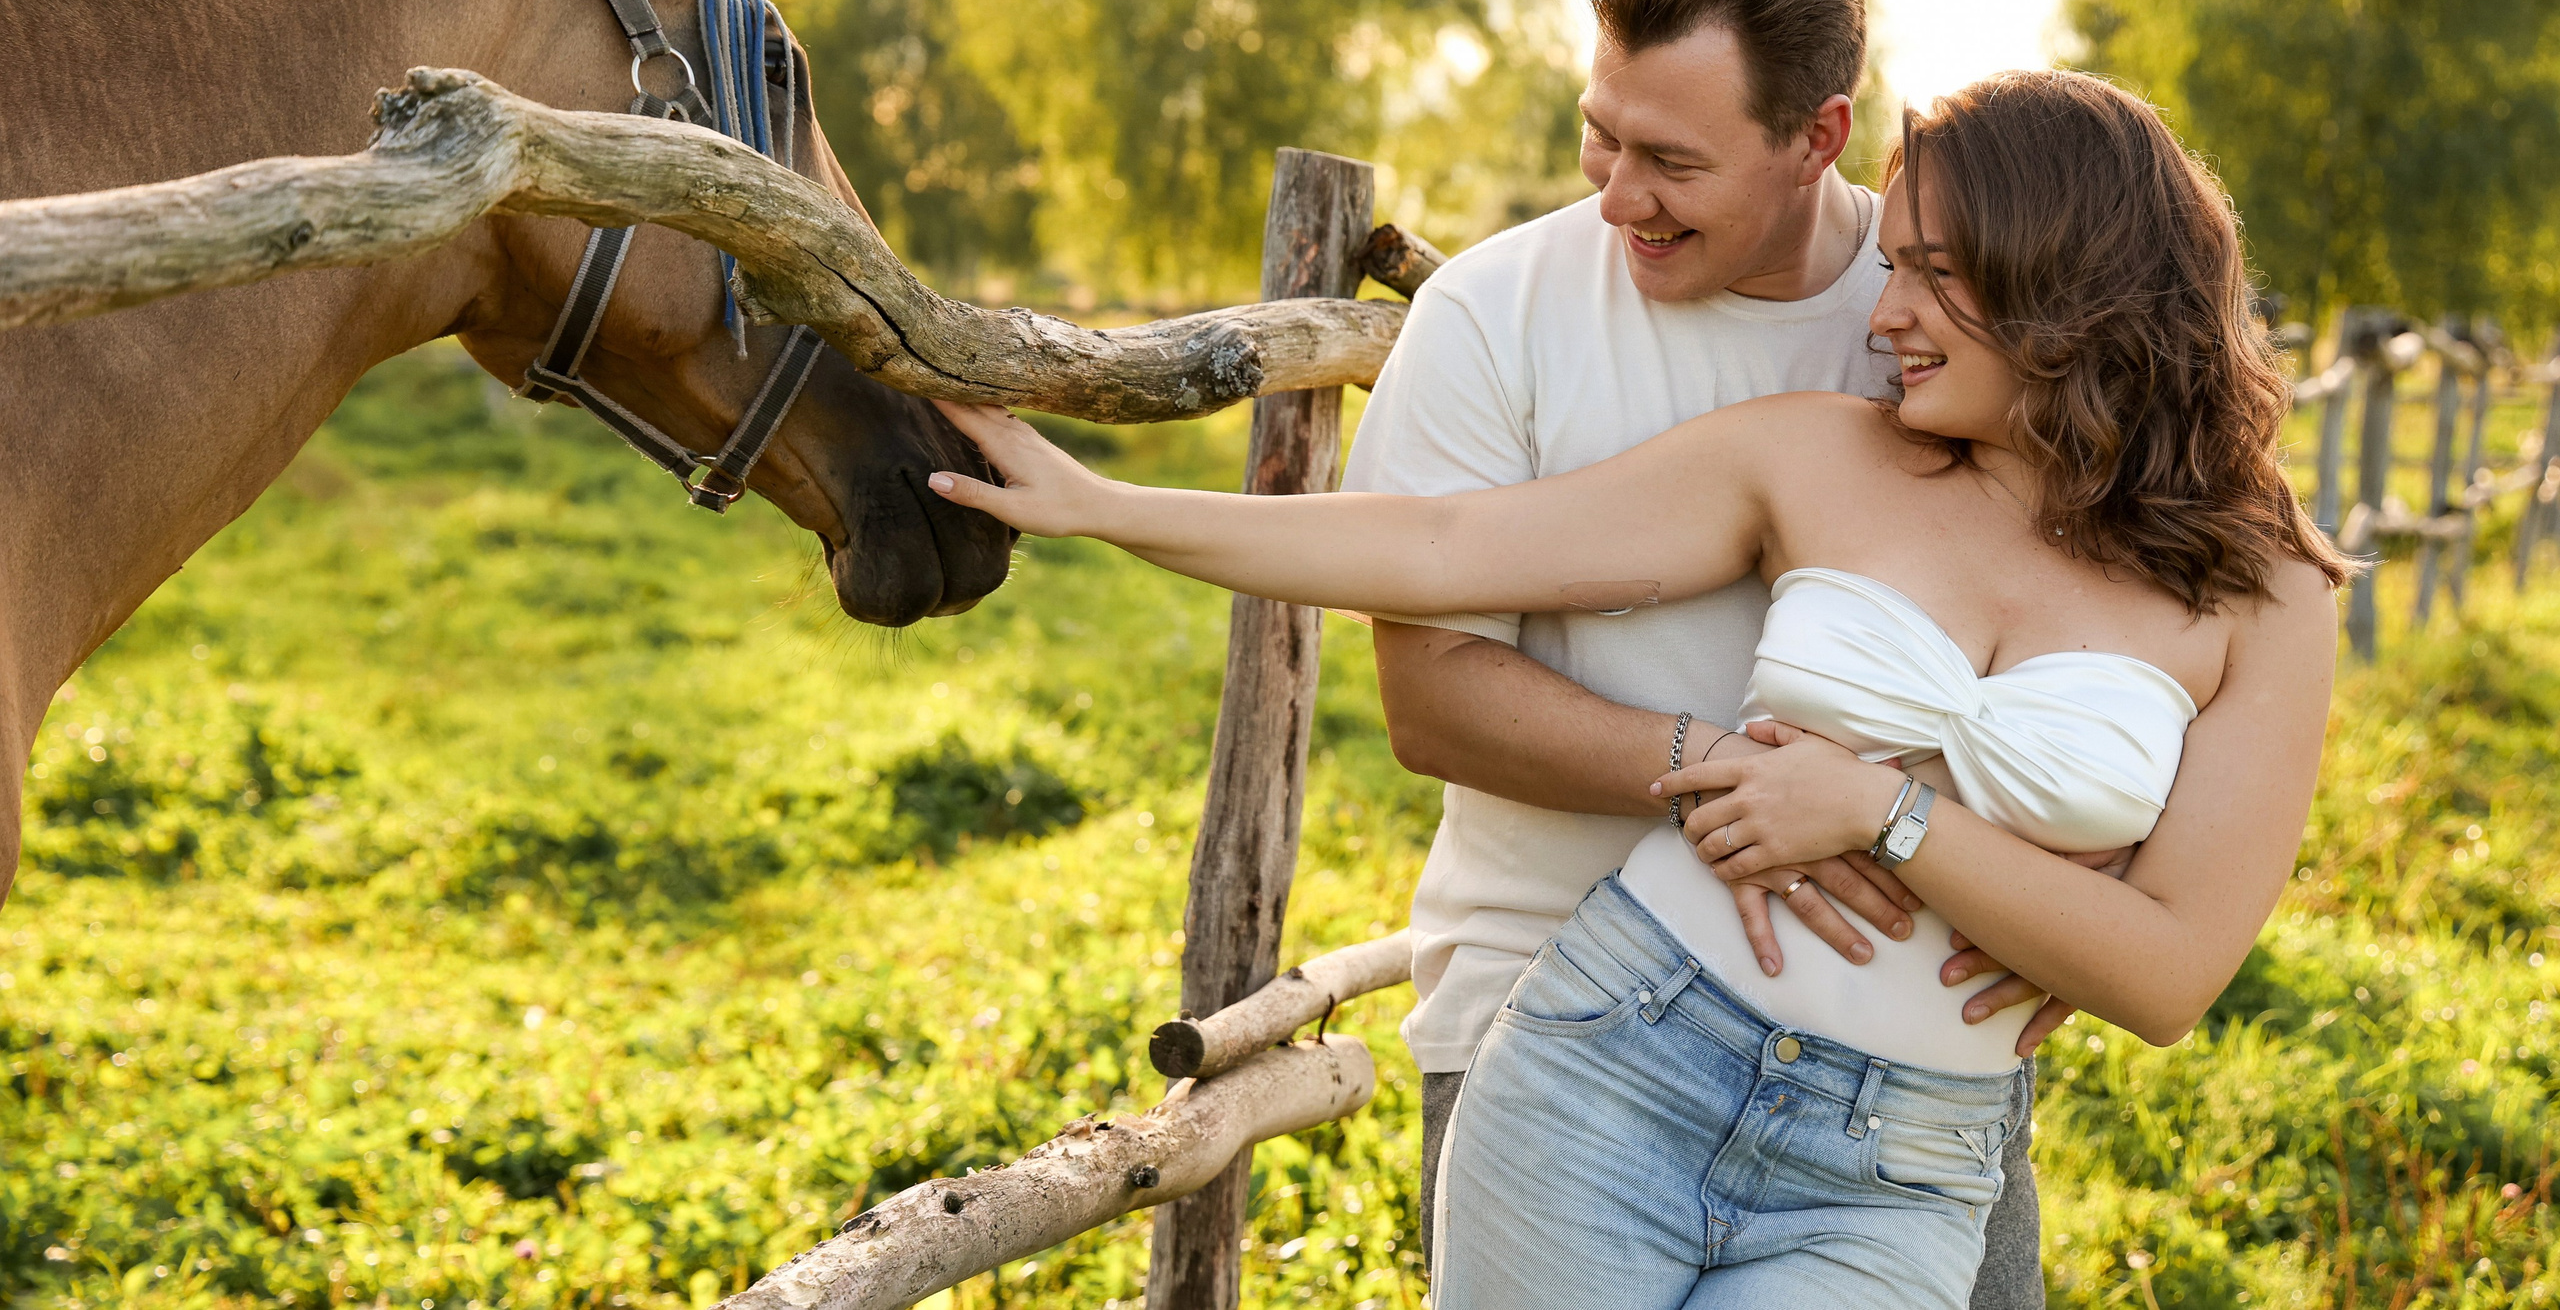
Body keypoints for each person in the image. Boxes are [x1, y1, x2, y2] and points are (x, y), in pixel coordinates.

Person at [924, 66, 2345, 1309]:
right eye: (1890, 266)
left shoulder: (2268, 591)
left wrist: (1881, 813)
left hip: (1901, 1167)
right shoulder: (1825, 455)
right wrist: (1105, 507)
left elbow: (2168, 975)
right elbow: (1444, 543)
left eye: (1932, 275)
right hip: (1618, 1060)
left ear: (2069, 286)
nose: (1885, 315)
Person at [1331, 0, 2067, 1310]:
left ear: (1818, 137)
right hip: (1554, 1025)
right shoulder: (1492, 316)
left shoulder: (1948, 321)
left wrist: (2064, 903)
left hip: (1908, 1069)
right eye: (1600, 134)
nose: (1617, 196)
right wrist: (1745, 789)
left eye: (1670, 159)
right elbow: (1433, 701)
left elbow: (2096, 602)